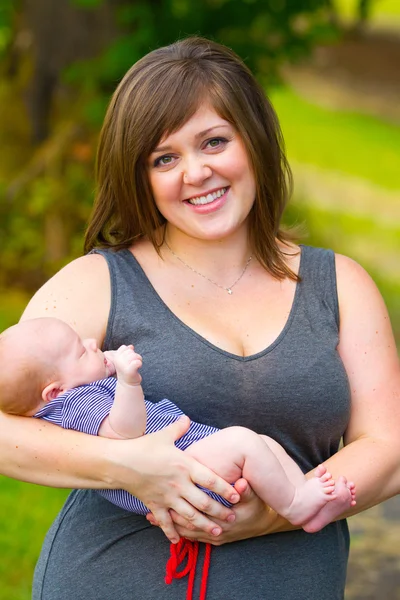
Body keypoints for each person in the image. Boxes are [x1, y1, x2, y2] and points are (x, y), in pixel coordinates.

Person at [0, 36, 398, 600]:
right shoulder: (97, 283)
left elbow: (389, 445)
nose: (196, 172)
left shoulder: (339, 286)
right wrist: (130, 467)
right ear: (141, 177)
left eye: (214, 141)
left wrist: (279, 512)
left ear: (253, 141)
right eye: (165, 158)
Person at [0, 317, 356, 534]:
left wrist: (101, 367)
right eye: (81, 352)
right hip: (179, 469)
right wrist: (127, 380)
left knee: (260, 442)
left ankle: (301, 496)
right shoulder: (76, 402)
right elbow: (125, 434)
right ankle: (295, 506)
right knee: (245, 442)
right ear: (55, 391)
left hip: (185, 458)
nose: (93, 344)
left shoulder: (75, 391)